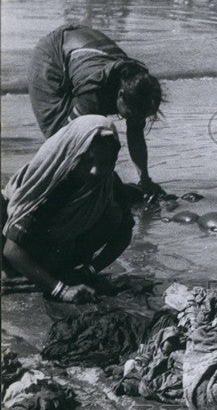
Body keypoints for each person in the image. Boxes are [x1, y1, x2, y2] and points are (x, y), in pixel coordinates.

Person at [2, 116, 134, 304]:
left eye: (105, 163)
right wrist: (61, 290)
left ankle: (53, 274)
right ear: (72, 153)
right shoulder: (52, 184)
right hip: (19, 250)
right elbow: (12, 249)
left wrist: (88, 271)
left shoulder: (109, 183)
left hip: (58, 251)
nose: (96, 171)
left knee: (114, 214)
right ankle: (29, 276)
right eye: (87, 161)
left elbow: (124, 233)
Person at [28, 24, 164, 199]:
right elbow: (66, 140)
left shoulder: (138, 84)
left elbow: (135, 135)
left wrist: (145, 179)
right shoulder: (94, 93)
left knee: (97, 137)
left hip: (82, 48)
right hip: (52, 53)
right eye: (130, 114)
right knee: (60, 132)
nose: (133, 119)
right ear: (120, 95)